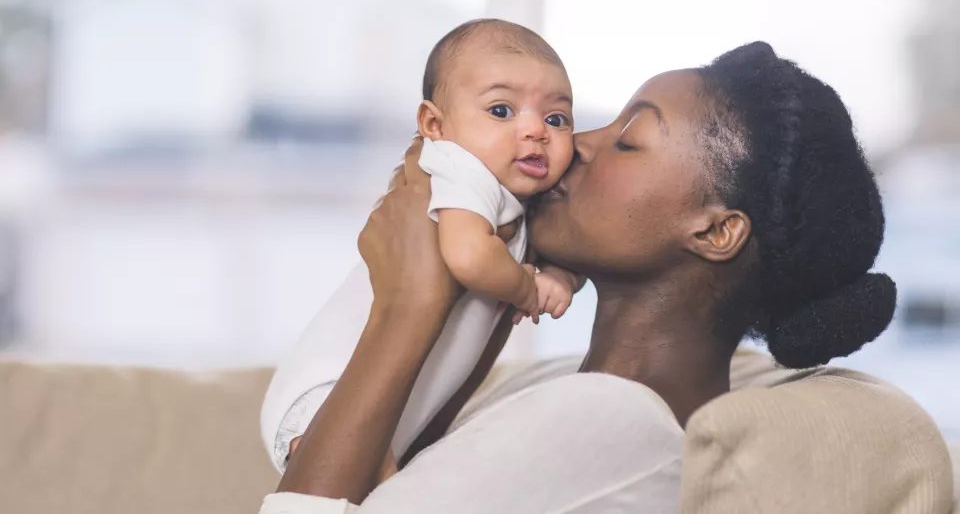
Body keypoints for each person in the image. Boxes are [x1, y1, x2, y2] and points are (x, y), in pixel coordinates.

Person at [260, 41, 897, 513]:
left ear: (714, 231)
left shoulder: (611, 417)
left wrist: (408, 307)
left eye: (629, 139)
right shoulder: (578, 390)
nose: (578, 142)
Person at [260, 19, 586, 470]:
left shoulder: (514, 197)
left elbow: (569, 251)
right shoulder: (458, 168)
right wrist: (531, 288)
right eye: (501, 110)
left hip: (394, 406)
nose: (535, 131)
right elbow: (470, 257)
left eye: (556, 118)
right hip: (328, 393)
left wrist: (562, 275)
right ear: (435, 124)